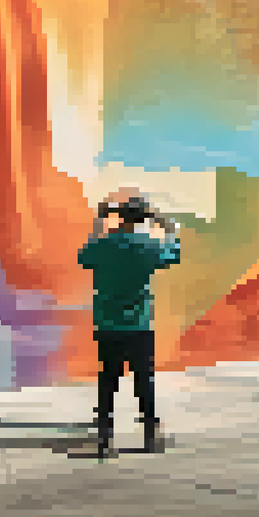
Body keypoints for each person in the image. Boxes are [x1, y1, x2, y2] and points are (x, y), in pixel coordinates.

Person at [77, 191, 181, 458]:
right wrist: (164, 222)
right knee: (144, 381)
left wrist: (99, 221)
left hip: (107, 324)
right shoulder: (149, 246)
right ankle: (149, 435)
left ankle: (104, 437)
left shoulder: (104, 245)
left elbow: (84, 257)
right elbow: (174, 251)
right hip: (139, 324)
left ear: (118, 217)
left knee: (107, 381)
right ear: (143, 219)